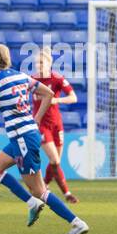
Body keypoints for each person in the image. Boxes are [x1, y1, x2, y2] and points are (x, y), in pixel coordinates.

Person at [0, 44, 89, 234]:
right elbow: (49, 94)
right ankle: (32, 203)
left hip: (21, 138)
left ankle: (76, 222)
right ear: (9, 59)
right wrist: (36, 119)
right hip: (23, 136)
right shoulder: (22, 77)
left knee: (39, 190)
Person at [31, 48, 79, 204]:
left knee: (54, 162)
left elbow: (73, 97)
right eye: (36, 63)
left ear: (49, 64)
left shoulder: (57, 79)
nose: (38, 65)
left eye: (41, 62)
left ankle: (44, 186)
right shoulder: (32, 81)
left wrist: (56, 100)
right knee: (55, 159)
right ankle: (67, 193)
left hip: (56, 124)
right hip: (41, 125)